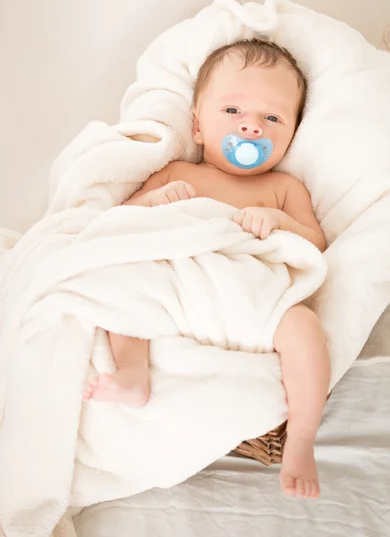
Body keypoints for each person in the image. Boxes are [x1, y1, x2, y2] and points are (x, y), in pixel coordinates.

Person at [83, 39, 330, 499]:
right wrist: (155, 201)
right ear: (197, 126)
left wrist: (279, 223)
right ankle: (132, 373)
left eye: (273, 118)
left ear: (293, 133)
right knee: (124, 290)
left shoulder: (283, 187)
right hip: (176, 287)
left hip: (249, 298)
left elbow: (314, 243)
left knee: (305, 329)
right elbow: (121, 222)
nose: (251, 126)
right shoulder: (178, 172)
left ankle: (301, 438)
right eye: (233, 109)